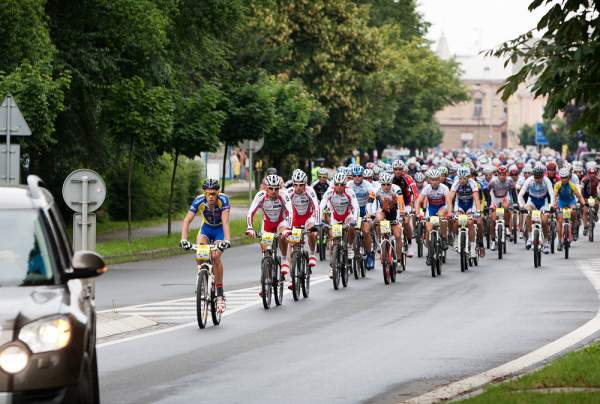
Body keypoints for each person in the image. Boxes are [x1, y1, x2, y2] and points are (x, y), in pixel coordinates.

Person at [180, 178, 231, 313]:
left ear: (218, 192)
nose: (211, 197)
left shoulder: (224, 200)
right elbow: (187, 220)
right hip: (206, 230)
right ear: (204, 192)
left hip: (219, 231)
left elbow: (225, 221)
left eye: (213, 193)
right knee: (200, 252)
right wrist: (184, 239)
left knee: (215, 257)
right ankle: (202, 277)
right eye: (208, 193)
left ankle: (220, 295)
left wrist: (227, 239)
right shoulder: (199, 200)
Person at [246, 174, 294, 277]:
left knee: (283, 236)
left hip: (281, 222)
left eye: (276, 189)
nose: (273, 191)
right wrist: (250, 228)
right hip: (267, 224)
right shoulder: (260, 196)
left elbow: (290, 211)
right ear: (266, 188)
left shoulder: (283, 195)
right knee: (265, 249)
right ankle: (266, 280)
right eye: (271, 188)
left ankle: (284, 259)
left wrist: (288, 229)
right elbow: (251, 212)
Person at [320, 172, 359, 278]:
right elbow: (322, 204)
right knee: (332, 238)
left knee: (352, 226)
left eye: (342, 185)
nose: (339, 187)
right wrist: (318, 219)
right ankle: (333, 267)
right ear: (334, 184)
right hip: (335, 218)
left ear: (345, 185)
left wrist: (355, 219)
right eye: (337, 184)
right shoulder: (330, 192)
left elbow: (356, 206)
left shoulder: (349, 191)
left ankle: (350, 247)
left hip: (347, 216)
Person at [287, 169, 321, 274]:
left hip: (308, 218)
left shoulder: (310, 191)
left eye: (301, 185)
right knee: (291, 244)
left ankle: (311, 253)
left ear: (305, 184)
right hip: (296, 219)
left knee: (312, 232)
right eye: (295, 185)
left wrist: (317, 223)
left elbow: (316, 207)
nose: (298, 188)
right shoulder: (289, 192)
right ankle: (290, 273)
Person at [415, 169, 451, 265]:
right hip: (431, 209)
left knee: (442, 217)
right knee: (428, 227)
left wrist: (450, 213)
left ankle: (443, 239)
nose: (434, 182)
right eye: (432, 180)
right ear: (429, 180)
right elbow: (418, 201)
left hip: (442, 207)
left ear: (439, 180)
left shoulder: (444, 188)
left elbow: (449, 201)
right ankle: (430, 252)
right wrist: (418, 214)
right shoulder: (427, 188)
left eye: (436, 179)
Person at [518, 166, 555, 254]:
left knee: (545, 221)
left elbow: (552, 193)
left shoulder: (546, 181)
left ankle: (545, 243)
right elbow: (520, 195)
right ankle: (530, 238)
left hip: (543, 201)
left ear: (543, 176)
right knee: (527, 213)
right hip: (532, 201)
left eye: (539, 177)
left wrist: (552, 205)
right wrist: (522, 206)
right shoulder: (529, 180)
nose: (537, 179)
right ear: (533, 176)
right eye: (536, 177)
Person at [372, 173, 405, 268]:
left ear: (391, 183)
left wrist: (401, 215)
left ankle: (398, 261)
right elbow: (370, 203)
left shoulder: (396, 189)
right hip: (383, 212)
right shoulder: (376, 190)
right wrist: (370, 213)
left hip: (394, 214)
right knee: (377, 219)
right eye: (383, 184)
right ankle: (380, 241)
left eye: (388, 184)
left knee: (398, 236)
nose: (386, 186)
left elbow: (401, 203)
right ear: (380, 184)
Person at [448, 166, 482, 259]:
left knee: (470, 223)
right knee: (456, 221)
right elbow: (450, 197)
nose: (461, 180)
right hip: (460, 205)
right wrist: (450, 211)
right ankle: (455, 238)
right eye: (460, 178)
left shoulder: (472, 183)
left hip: (471, 205)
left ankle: (472, 248)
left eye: (464, 178)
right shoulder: (456, 183)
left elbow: (476, 198)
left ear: (468, 177)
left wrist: (478, 211)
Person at [347, 165, 377, 269]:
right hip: (353, 210)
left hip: (365, 209)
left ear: (362, 176)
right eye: (354, 176)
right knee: (349, 229)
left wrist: (371, 213)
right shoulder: (349, 185)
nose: (357, 178)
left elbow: (373, 197)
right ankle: (349, 250)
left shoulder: (367, 184)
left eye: (359, 176)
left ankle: (369, 254)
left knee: (366, 231)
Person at [554, 168, 586, 248]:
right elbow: (555, 196)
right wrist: (554, 204)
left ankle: (574, 228)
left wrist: (584, 204)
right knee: (560, 220)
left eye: (565, 177)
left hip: (571, 201)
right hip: (561, 202)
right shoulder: (557, 185)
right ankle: (559, 241)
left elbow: (579, 196)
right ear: (560, 178)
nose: (564, 179)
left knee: (574, 212)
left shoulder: (572, 185)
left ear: (568, 177)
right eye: (562, 177)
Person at [581, 166, 600, 235]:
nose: (592, 175)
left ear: (596, 174)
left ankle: (595, 214)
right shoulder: (584, 180)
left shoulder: (598, 180)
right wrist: (582, 198)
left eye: (594, 173)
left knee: (597, 203)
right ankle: (585, 226)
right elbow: (581, 189)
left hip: (594, 196)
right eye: (591, 173)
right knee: (585, 211)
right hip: (585, 197)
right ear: (588, 174)